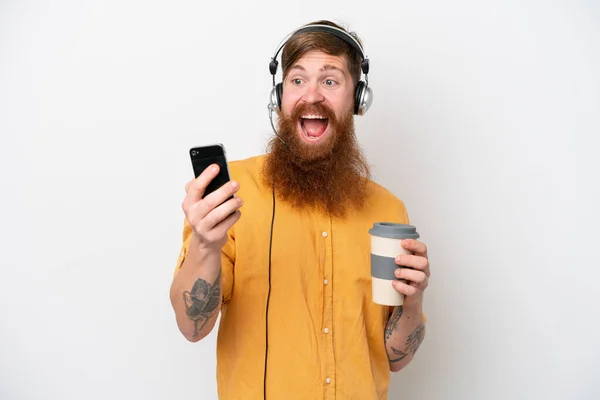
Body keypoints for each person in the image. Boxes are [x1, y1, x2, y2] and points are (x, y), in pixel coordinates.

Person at [169, 19, 430, 400]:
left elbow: (396, 357)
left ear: (357, 99)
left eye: (330, 80)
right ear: (279, 97)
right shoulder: (230, 194)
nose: (312, 95)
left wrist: (414, 299)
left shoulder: (388, 210)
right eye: (297, 80)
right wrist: (206, 246)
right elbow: (192, 328)